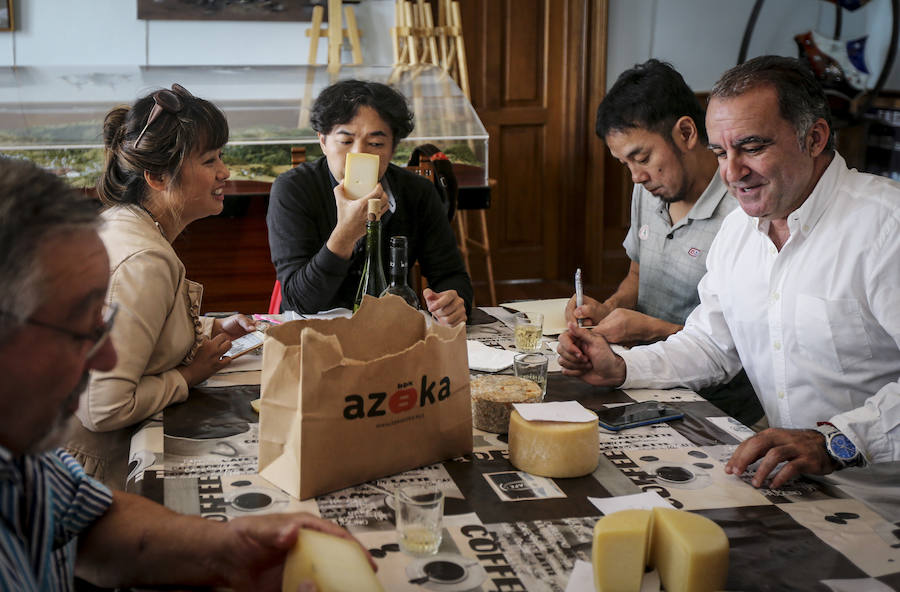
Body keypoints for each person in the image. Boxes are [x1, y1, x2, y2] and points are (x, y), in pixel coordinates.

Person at [0, 157, 368, 590]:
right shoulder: (143, 255)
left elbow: (86, 520)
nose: (104, 358)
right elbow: (106, 407)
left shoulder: (22, 458)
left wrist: (228, 549)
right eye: (76, 328)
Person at [558, 56, 900, 519]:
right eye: (721, 152)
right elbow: (711, 344)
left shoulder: (885, 228)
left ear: (814, 138)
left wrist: (839, 440)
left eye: (752, 147)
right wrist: (620, 366)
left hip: (881, 502)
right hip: (792, 491)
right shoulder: (740, 231)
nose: (731, 172)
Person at [65, 84, 257, 489]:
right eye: (210, 160)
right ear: (156, 176)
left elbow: (136, 336)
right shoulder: (144, 261)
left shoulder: (121, 221)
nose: (225, 172)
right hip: (94, 474)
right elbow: (103, 407)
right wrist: (189, 374)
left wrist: (207, 331)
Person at [564, 59, 763, 426]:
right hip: (640, 376)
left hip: (715, 405)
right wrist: (608, 310)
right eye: (625, 163)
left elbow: (743, 349)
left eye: (642, 157)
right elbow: (637, 276)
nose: (637, 176)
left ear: (686, 133)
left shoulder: (746, 211)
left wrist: (650, 328)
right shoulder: (650, 190)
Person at [267, 79, 472, 326]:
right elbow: (300, 300)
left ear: (393, 147)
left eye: (375, 143)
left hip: (391, 332)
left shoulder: (418, 192)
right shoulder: (293, 189)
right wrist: (345, 235)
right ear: (322, 141)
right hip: (313, 334)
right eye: (345, 141)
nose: (359, 154)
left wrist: (454, 303)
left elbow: (451, 275)